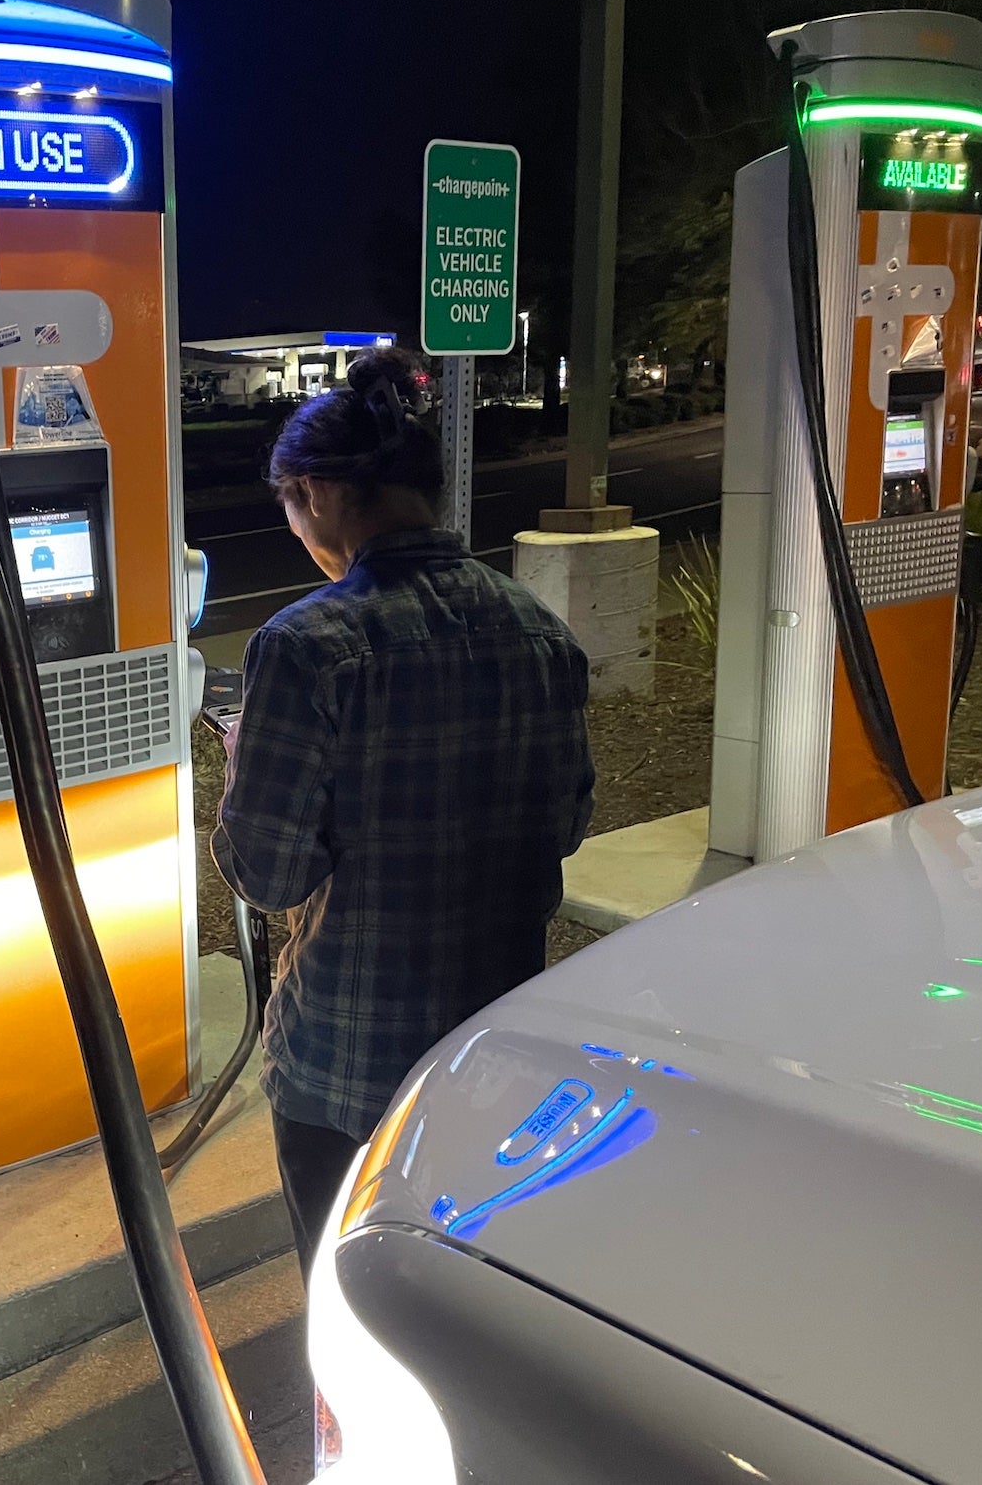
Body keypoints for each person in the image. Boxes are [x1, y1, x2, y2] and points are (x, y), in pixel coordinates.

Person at [212, 352, 594, 1274]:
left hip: (348, 1063)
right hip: (496, 1052)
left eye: (292, 508)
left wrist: (241, 765)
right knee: (466, 1296)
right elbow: (567, 823)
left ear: (322, 496)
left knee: (353, 1302)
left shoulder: (307, 647)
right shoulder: (539, 632)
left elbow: (267, 875)